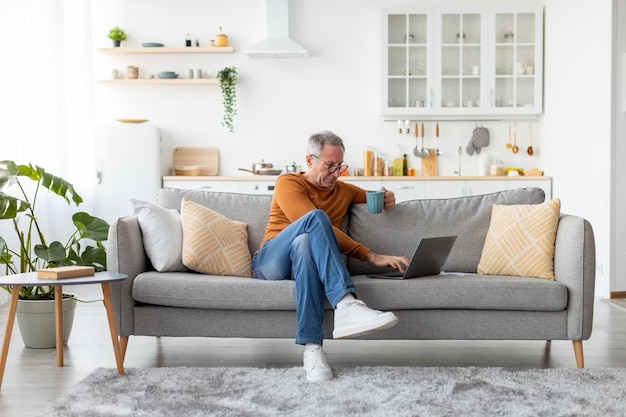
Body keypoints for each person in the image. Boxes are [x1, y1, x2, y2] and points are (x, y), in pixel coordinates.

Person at [252, 130, 410, 382]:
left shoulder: (343, 190)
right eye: (329, 166)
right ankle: (346, 304)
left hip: (303, 262)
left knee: (305, 245)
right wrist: (370, 255)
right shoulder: (289, 183)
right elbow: (311, 222)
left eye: (340, 166)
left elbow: (372, 196)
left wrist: (387, 198)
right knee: (314, 219)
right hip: (270, 261)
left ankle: (313, 352)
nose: (335, 174)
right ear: (309, 161)